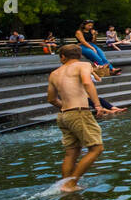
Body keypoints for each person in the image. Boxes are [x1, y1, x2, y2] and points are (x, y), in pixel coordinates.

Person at [46, 44, 107, 192]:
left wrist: (66, 108)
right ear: (80, 56)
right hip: (79, 113)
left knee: (71, 152)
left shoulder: (54, 73)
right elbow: (87, 82)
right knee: (96, 148)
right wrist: (98, 106)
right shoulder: (83, 65)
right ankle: (71, 184)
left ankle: (64, 185)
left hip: (63, 115)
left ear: (63, 56)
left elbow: (52, 99)